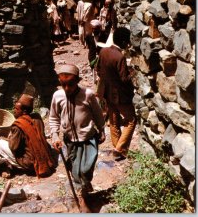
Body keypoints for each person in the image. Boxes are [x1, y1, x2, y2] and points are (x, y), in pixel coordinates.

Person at [49, 64, 105, 213]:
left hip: (88, 137)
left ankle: (84, 186)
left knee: (86, 168)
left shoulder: (88, 94)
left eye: (71, 84)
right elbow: (54, 117)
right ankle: (82, 196)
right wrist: (55, 135)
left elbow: (98, 113)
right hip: (70, 140)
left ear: (78, 81)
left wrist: (102, 129)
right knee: (74, 169)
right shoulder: (58, 96)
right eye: (63, 85)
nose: (67, 88)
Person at [0, 94, 55, 178]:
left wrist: (8, 138)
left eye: (16, 109)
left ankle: (3, 167)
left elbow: (13, 147)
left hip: (30, 164)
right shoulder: (37, 117)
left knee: (0, 144)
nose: (14, 111)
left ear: (24, 112)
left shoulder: (18, 125)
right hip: (45, 158)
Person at [97, 27, 137, 161]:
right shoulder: (119, 56)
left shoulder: (103, 51)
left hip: (106, 93)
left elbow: (98, 70)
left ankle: (118, 151)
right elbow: (124, 79)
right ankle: (119, 149)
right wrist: (132, 73)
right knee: (131, 120)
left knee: (113, 121)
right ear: (124, 42)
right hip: (120, 95)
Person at [85, 19, 107, 83]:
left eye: (95, 29)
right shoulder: (88, 35)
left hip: (102, 54)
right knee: (93, 67)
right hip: (92, 54)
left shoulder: (104, 35)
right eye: (92, 28)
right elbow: (89, 45)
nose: (94, 30)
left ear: (99, 28)